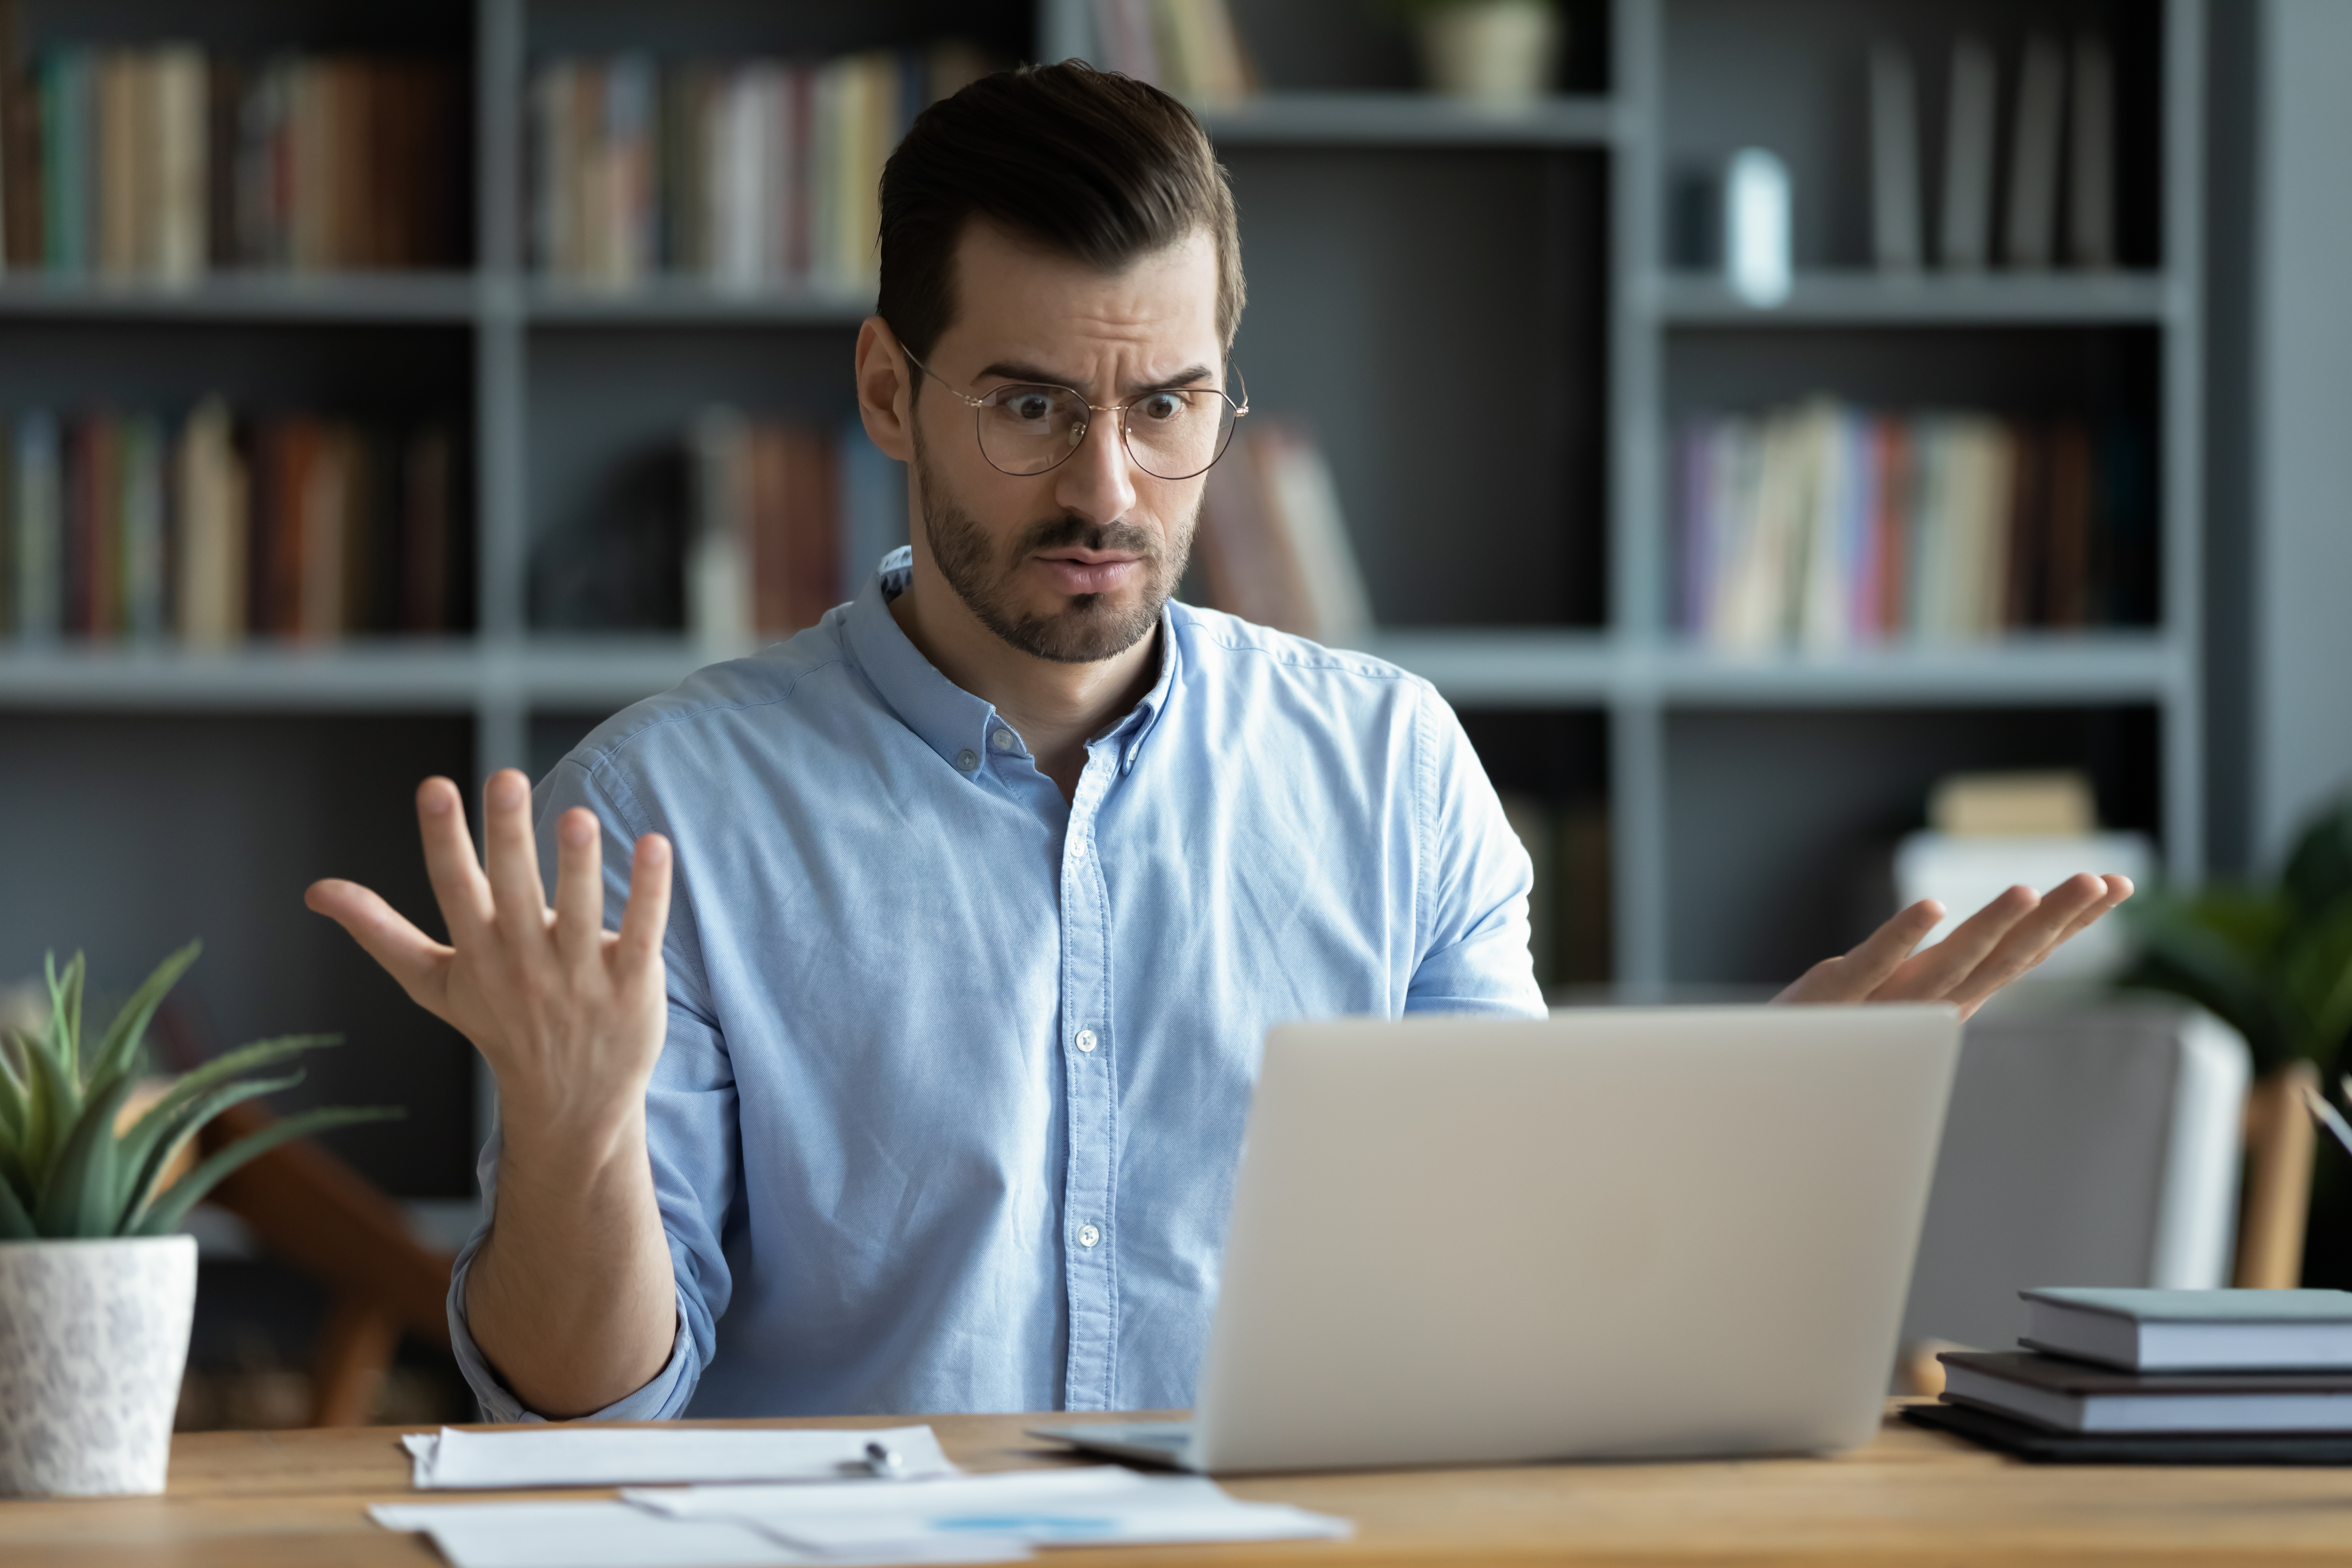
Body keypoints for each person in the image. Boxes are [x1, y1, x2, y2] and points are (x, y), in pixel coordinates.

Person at [306, 63, 2131, 1422]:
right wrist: (570, 1132)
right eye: (1028, 404)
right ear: (888, 391)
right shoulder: (664, 817)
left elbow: (1496, 1307)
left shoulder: (1392, 770)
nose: (1107, 488)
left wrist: (1726, 1139)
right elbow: (585, 1407)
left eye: (1167, 406)